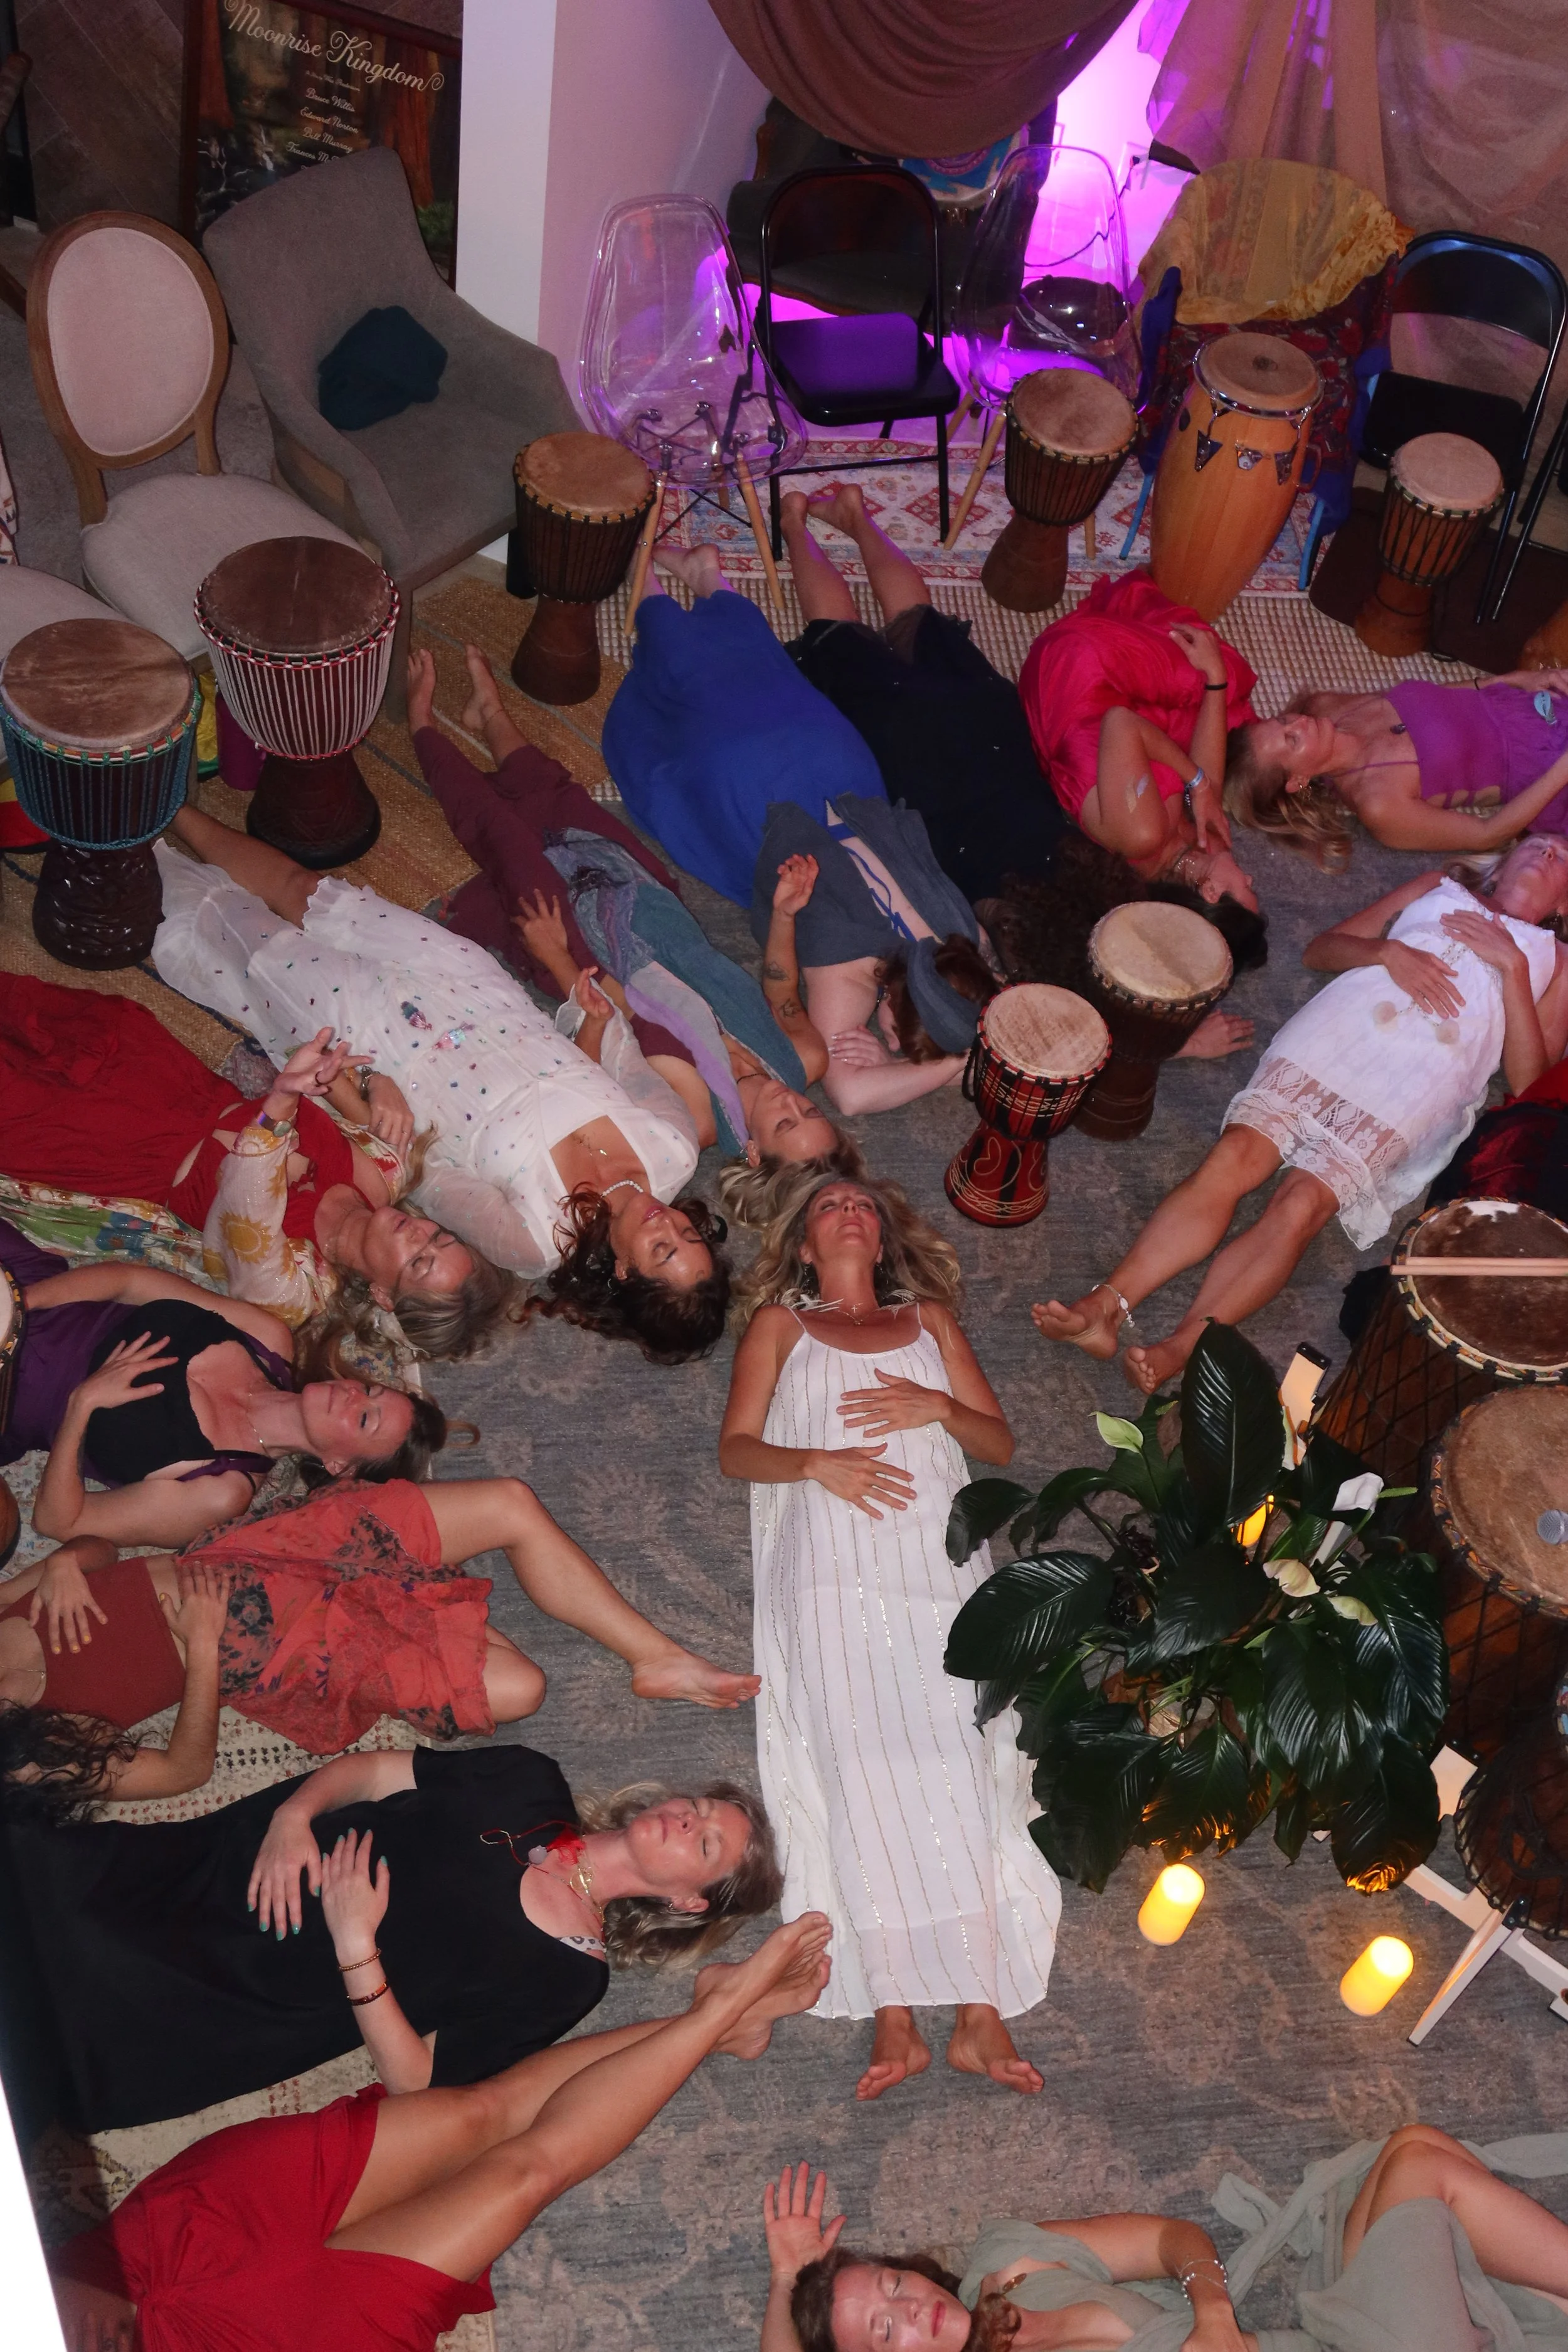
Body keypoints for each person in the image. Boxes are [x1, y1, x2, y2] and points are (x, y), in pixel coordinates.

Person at [45, 1915, 833, 2352]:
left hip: (167, 2240)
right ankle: (721, 2015)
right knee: (523, 2175)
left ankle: (722, 2028)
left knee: (476, 2114)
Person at [152, 807, 732, 1364]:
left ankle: (145, 844)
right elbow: (616, 1056)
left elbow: (418, 1171)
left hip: (395, 1055)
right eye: (689, 1234)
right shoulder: (674, 1148)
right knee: (309, 893)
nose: (668, 1223)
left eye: (663, 1249)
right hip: (481, 995)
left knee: (254, 941)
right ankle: (174, 808)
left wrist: (369, 1085)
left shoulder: (536, 1241)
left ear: (626, 1272)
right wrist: (591, 1014)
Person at [718, 1169, 1061, 2100]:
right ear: (804, 1244)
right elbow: (736, 1450)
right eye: (830, 1205)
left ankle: (979, 2010)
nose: (850, 1211)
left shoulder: (929, 1321)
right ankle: (894, 2012)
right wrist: (814, 1462)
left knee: (957, 1752)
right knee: (859, 1765)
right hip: (830, 1562)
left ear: (884, 1236)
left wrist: (938, 1408)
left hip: (934, 1557)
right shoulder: (780, 1326)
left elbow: (997, 1445)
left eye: (864, 1205)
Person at [0, 1734, 783, 2137]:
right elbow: (377, 1773)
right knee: (38, 1876)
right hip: (225, 1866)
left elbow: (418, 2082)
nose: (687, 1820)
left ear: (686, 1901)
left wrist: (356, 1944)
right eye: (698, 1809)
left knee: (61, 2000)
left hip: (244, 1995)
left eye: (705, 1843)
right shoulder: (528, 1779)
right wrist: (293, 1816)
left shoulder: (571, 1975)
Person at [1034, 836, 1568, 1391]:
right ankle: (1106, 1306)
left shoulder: (1556, 960)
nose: (1550, 854)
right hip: (1339, 1033)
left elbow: (1530, 1082)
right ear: (1503, 861)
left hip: (1420, 1081)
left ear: (1564, 905)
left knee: (1302, 1204)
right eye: (1539, 844)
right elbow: (1321, 950)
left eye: (1563, 858)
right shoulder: (1441, 887)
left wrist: (1511, 965)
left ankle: (1184, 1345)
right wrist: (1387, 953)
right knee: (1234, 1158)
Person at [408, 644, 839, 1162]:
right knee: (559, 799)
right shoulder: (803, 1059)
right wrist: (785, 915)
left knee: (500, 833)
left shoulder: (696, 1118)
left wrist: (556, 957)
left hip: (584, 959)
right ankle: (489, 714)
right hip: (656, 914)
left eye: (785, 1124)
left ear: (753, 1152)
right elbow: (783, 990)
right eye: (810, 1111)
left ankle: (419, 724)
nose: (790, 1101)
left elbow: (609, 1046)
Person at [1, 1472, 760, 1765]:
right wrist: (201, 1654)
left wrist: (69, 1561)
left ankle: (654, 1657)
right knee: (520, 1689)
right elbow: (182, 1774)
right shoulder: (29, 1759)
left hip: (269, 1549)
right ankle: (418, 1594)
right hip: (280, 1653)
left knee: (511, 1504)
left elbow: (100, 1547)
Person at [0, 971, 514, 1359]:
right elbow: (313, 1059)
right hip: (167, 1075)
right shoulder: (383, 1171)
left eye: (419, 1260)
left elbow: (244, 1202)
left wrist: (282, 1104)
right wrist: (376, 1083)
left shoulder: (296, 1293)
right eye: (439, 1236)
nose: (420, 1233)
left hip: (109, 1149)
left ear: (384, 1295)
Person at [760, 2127, 1568, 2352]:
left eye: (892, 2287)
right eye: (884, 2333)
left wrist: (1212, 2314)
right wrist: (783, 2285)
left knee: (1406, 2145)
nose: (910, 2310)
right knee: (1421, 2170)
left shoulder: (1007, 2263)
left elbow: (1174, 2239)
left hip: (1320, 2341)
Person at [0, 1222, 444, 1547]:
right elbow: (129, 1282)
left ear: (339, 1466)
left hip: (13, 1398)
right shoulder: (269, 1339)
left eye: (364, 1418)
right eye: (369, 1390)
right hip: (39, 1291)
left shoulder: (220, 1492)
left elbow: (60, 1522)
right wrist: (17, 1308)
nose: (352, 1395)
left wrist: (82, 1406)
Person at [777, 484, 1067, 908]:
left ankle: (857, 516)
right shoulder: (982, 904)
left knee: (917, 620)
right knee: (836, 633)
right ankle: (793, 523)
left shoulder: (1084, 872)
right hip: (919, 753)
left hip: (986, 721)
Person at [1019, 572, 1260, 909]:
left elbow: (1121, 724)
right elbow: (1211, 781)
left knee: (1220, 675)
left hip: (1071, 673)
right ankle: (1131, 611)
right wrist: (1215, 679)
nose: (1250, 878)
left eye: (1246, 889)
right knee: (1226, 703)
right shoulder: (1202, 852)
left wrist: (1197, 781)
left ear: (1211, 892)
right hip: (1119, 703)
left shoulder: (1142, 838)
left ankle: (1128, 603)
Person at [1225, 667, 1568, 865]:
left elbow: (1434, 699)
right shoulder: (1379, 804)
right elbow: (1486, 834)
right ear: (1297, 780)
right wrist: (1562, 770)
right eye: (1292, 740)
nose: (1300, 722)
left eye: (1283, 720)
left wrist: (1511, 680)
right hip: (1549, 767)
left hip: (1532, 701)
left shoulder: (1324, 705)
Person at [0, 1560, 234, 1809]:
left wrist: (63, 1563)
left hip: (211, 1558)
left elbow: (102, 1551)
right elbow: (184, 1772)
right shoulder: (25, 1766)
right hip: (237, 1635)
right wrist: (203, 1643)